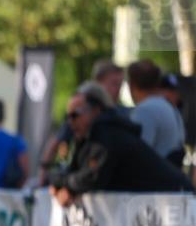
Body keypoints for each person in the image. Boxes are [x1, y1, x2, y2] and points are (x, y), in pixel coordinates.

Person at [49, 81, 194, 206]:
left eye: (75, 115)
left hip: (177, 200)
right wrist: (63, 185)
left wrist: (64, 184)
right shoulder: (88, 137)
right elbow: (77, 172)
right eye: (68, 116)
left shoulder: (108, 135)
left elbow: (92, 178)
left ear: (96, 110)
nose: (70, 122)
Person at [39, 60, 127, 180]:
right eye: (114, 83)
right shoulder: (81, 116)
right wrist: (44, 174)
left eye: (120, 85)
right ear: (97, 83)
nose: (118, 89)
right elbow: (55, 143)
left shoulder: (120, 114)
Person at [128, 59, 185, 167]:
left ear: (131, 85)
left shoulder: (145, 110)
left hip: (154, 175)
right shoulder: (170, 108)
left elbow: (137, 156)